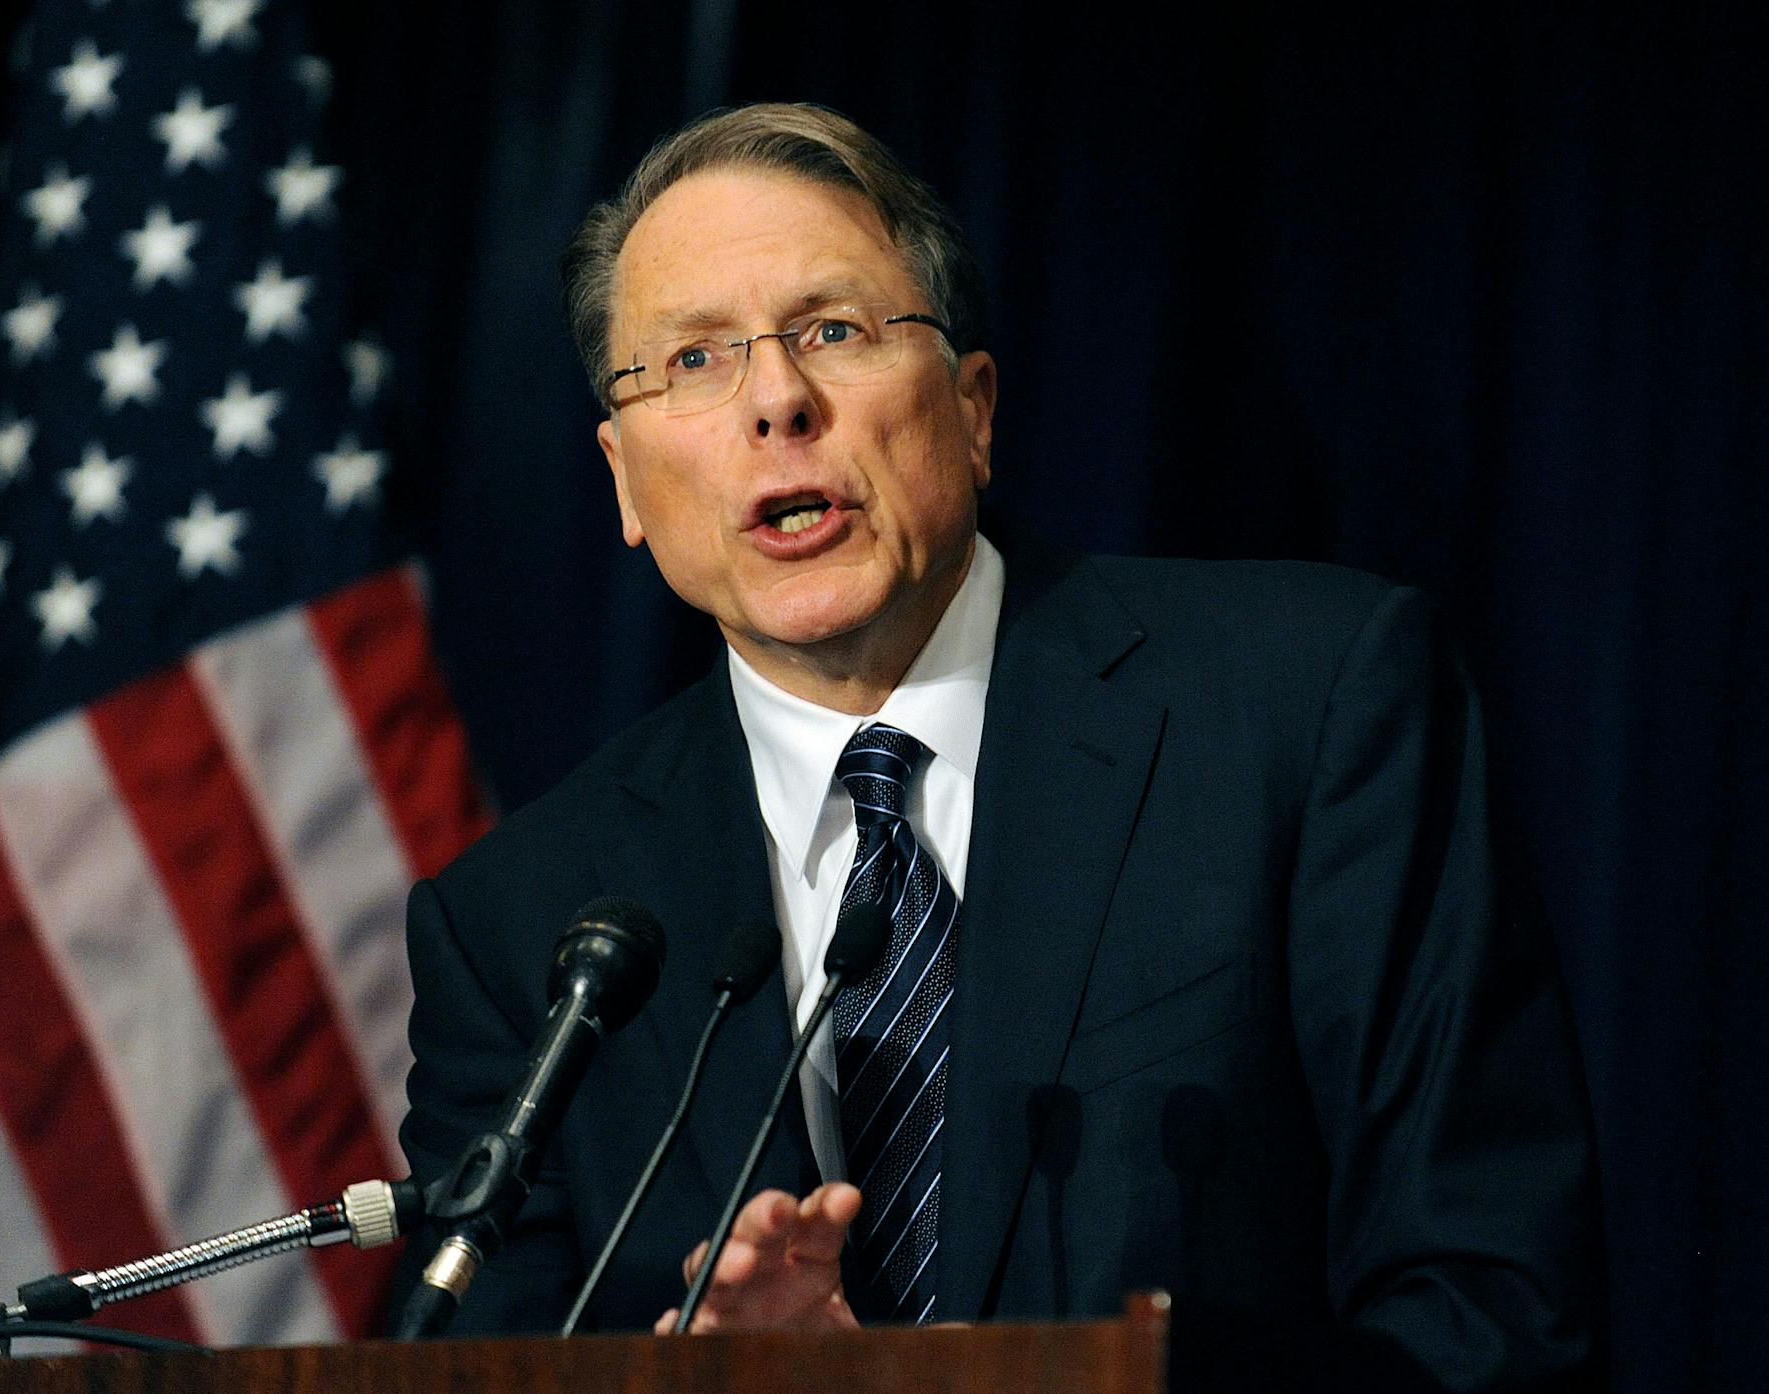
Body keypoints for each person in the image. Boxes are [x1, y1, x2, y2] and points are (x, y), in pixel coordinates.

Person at [397, 103, 1601, 1391]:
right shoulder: (526, 930)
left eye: (833, 332)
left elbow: (1496, 1315)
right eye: (693, 361)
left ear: (973, 410)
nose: (777, 402)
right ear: (626, 482)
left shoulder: (1304, 710)